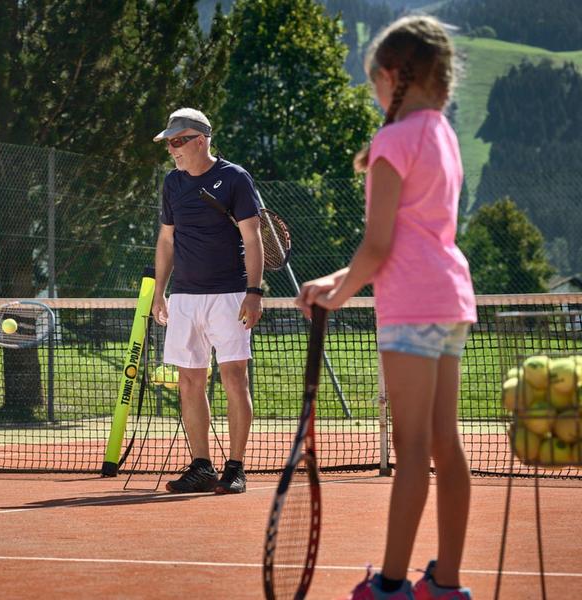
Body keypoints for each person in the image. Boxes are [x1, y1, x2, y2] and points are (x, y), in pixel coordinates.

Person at [294, 16, 475, 600]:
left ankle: (391, 587)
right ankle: (444, 584)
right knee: (446, 446)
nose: (373, 93)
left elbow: (380, 246)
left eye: (374, 82)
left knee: (412, 447)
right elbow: (411, 239)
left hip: (411, 307)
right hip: (450, 300)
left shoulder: (393, 142)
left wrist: (338, 297)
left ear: (393, 76)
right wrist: (336, 282)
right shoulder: (443, 135)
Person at [151, 108, 264, 494]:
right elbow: (167, 241)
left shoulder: (234, 178)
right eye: (168, 143)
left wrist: (254, 291)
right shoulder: (172, 184)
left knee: (234, 377)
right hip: (184, 297)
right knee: (188, 381)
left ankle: (235, 468)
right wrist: (159, 291)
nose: (172, 149)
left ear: (200, 139)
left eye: (178, 141)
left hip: (230, 295)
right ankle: (201, 466)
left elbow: (253, 238)